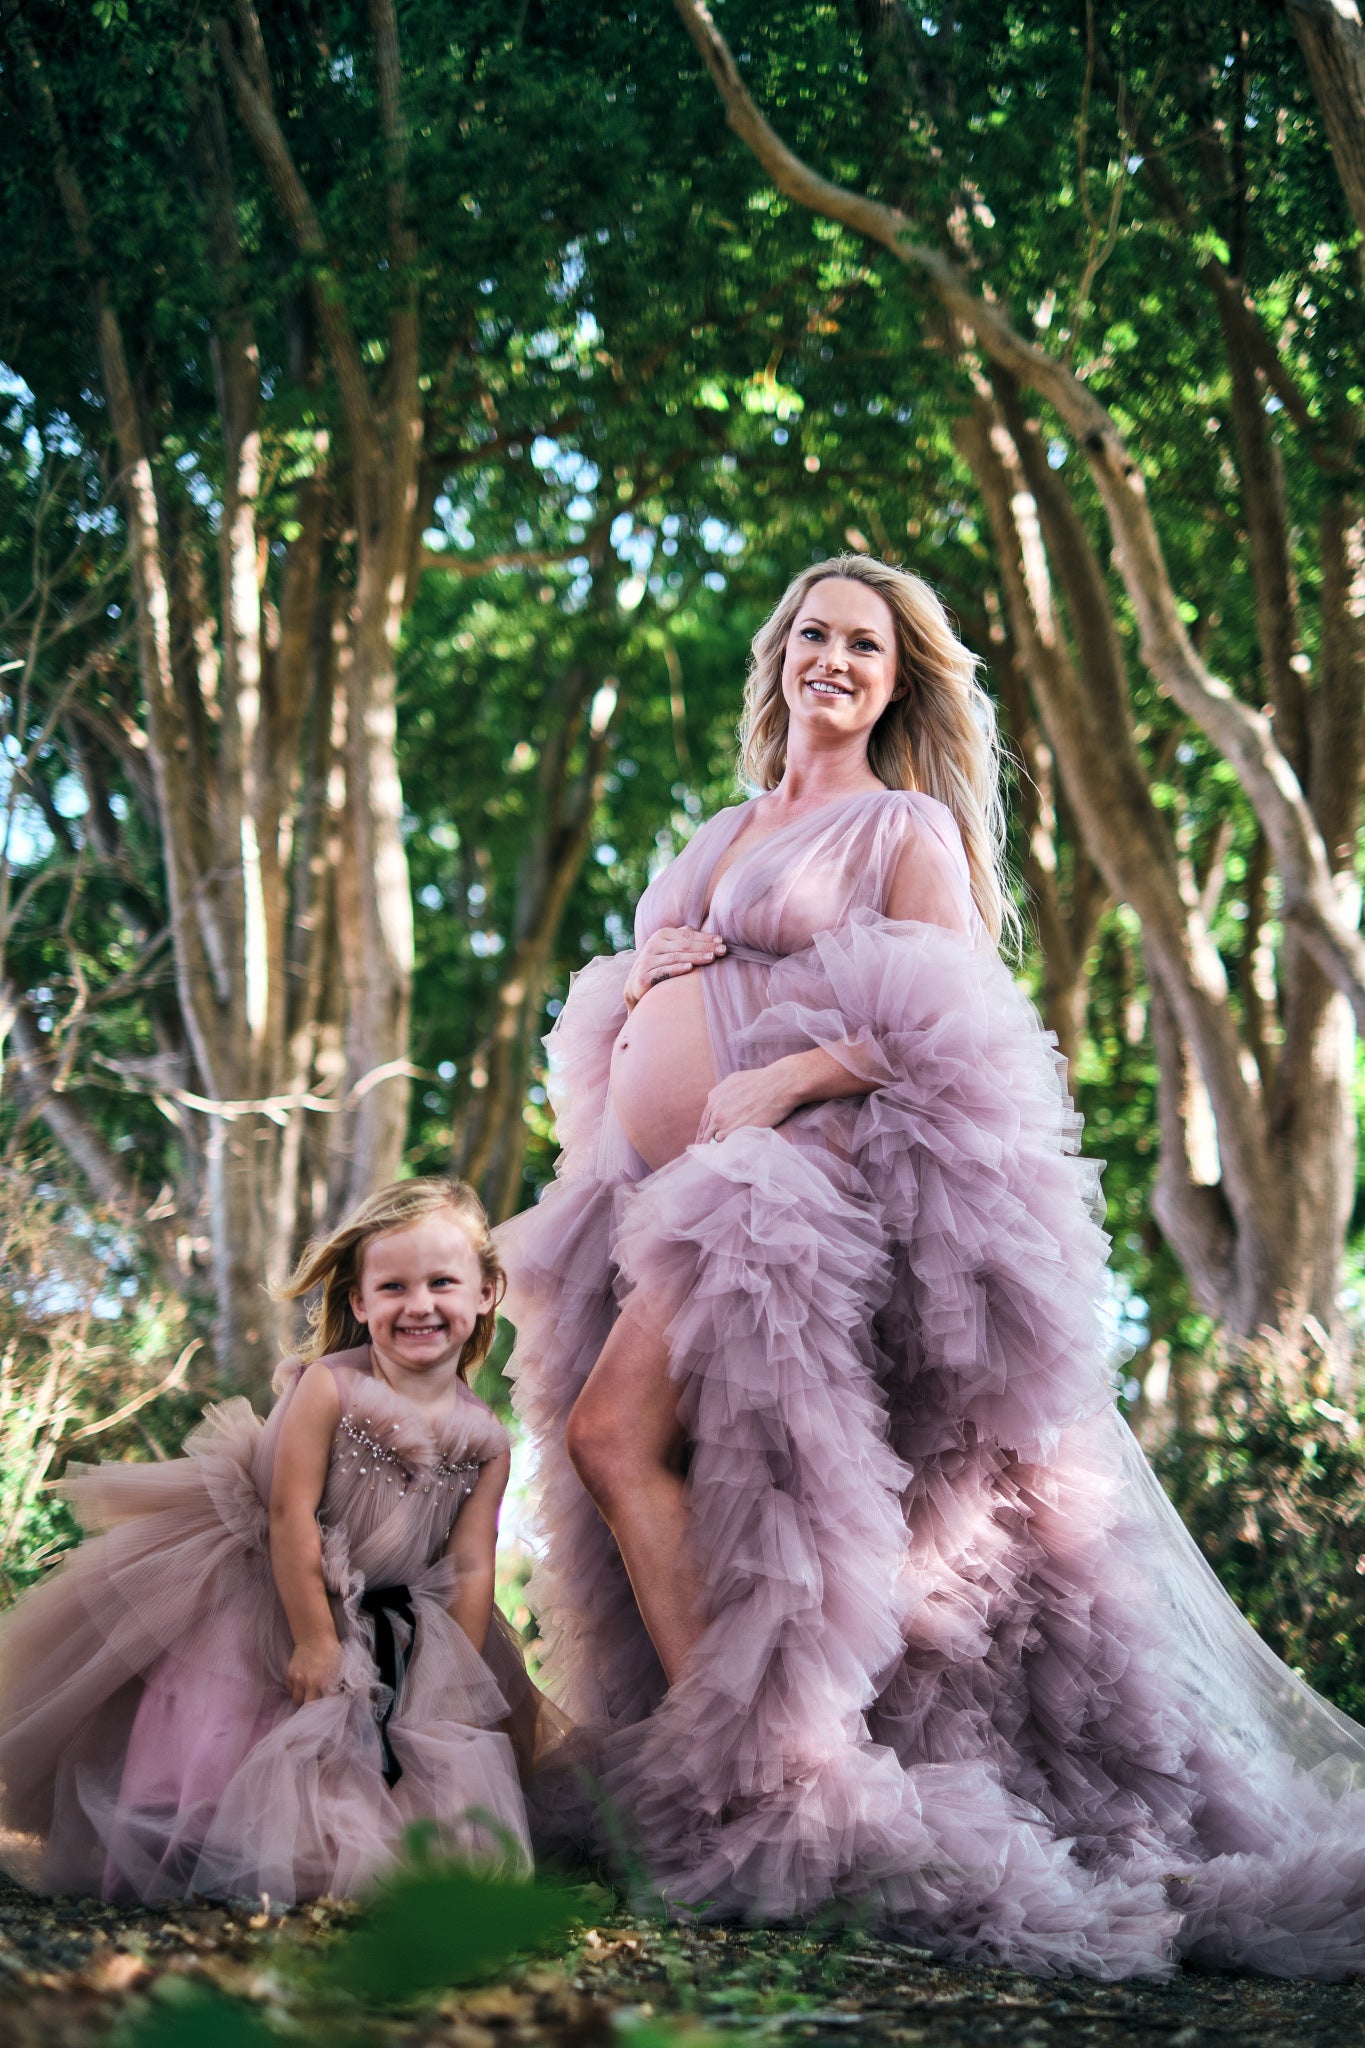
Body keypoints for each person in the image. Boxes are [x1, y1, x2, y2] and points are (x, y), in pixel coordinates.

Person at [500, 554, 1365, 1980]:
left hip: (788, 1200)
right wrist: (654, 1007)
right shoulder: (721, 823)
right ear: (778, 652)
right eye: (816, 634)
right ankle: (735, 1769)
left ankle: (749, 1785)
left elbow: (953, 1032)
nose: (833, 659)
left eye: (866, 646)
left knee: (612, 1436)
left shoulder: (903, 827)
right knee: (707, 1494)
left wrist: (775, 1089)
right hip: (662, 1195)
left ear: (899, 682)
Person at [0, 1177, 534, 1905]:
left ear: (485, 1292)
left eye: (443, 1282)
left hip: (393, 1614)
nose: (419, 1304)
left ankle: (333, 1855)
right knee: (249, 1721)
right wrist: (315, 1636)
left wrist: (454, 1679)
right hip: (276, 1590)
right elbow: (289, 1513)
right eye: (392, 1286)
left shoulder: (487, 1438)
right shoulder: (330, 1387)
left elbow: (470, 1564)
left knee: (391, 1759)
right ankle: (202, 1841)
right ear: (358, 1302)